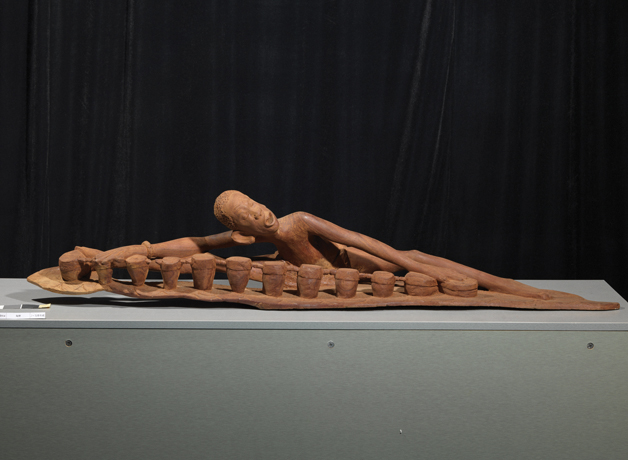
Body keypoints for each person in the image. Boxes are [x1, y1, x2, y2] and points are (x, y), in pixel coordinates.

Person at [82, 190, 551, 299]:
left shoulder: (298, 222)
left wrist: (417, 266)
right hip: (331, 281)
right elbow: (196, 243)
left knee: (420, 259)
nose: (261, 213)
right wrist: (126, 253)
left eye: (257, 205)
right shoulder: (248, 239)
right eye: (250, 216)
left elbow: (366, 242)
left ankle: (517, 290)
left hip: (356, 262)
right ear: (242, 229)